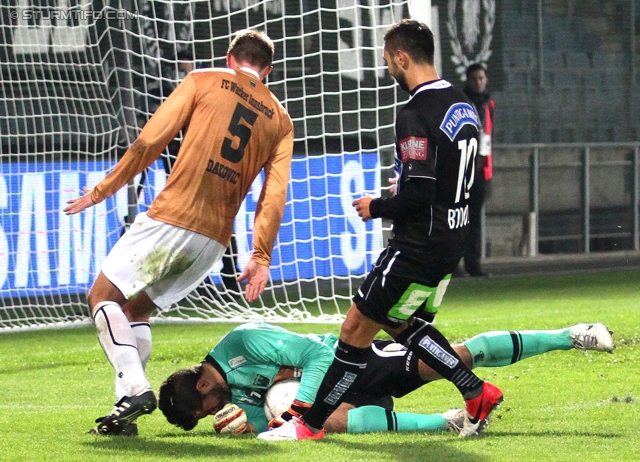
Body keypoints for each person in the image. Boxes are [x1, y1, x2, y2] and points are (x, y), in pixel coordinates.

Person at [258, 19, 501, 441]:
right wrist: (409, 184)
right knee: (400, 324)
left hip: (417, 243)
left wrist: (378, 206)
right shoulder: (462, 102)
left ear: (402, 57)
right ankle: (475, 391)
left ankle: (309, 426)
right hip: (451, 237)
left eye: (389, 59)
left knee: (354, 330)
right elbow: (449, 176)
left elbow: (421, 193)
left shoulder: (414, 113)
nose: (388, 67)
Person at [63, 29, 295, 435]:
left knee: (102, 296)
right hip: (212, 242)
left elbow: (149, 141)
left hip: (171, 218)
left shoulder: (202, 80)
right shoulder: (281, 119)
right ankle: (123, 413)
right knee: (137, 311)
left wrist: (102, 189)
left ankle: (135, 389)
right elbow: (273, 196)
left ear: (229, 58)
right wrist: (260, 256)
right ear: (268, 71)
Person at [158, 321, 614, 435]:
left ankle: (572, 336)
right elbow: (266, 418)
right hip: (330, 393)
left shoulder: (242, 342)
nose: (216, 411)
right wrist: (258, 425)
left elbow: (318, 354)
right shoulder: (232, 390)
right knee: (329, 423)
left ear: (202, 387)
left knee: (456, 357)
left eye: (208, 410)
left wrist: (300, 410)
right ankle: (448, 422)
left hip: (353, 359)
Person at [460, 63, 496, 277]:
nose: (478, 82)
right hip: (462, 171)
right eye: (474, 79)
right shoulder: (461, 103)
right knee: (457, 219)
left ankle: (473, 264)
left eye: (481, 78)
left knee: (474, 220)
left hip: (482, 170)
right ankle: (452, 265)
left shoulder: (489, 104)